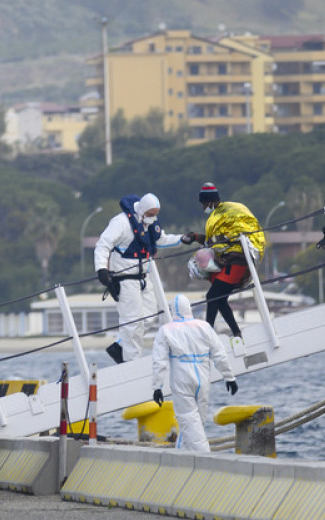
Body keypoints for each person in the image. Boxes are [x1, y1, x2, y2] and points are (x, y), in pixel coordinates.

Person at [95, 193, 194, 364]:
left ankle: (119, 346)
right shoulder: (121, 223)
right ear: (141, 210)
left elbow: (161, 240)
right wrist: (101, 269)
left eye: (155, 214)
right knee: (132, 323)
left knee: (150, 316)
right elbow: (103, 245)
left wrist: (182, 239)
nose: (152, 218)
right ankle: (131, 362)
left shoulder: (150, 224)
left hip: (144, 278)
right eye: (150, 214)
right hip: (125, 280)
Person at [151, 295, 238, 452]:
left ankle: (205, 459)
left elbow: (160, 361)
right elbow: (219, 353)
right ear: (189, 308)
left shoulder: (165, 331)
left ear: (172, 310)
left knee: (189, 422)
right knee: (197, 423)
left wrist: (157, 386)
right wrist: (229, 376)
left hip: (181, 379)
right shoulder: (204, 327)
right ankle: (183, 455)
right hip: (203, 378)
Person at [184, 183, 266, 340]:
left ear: (212, 201)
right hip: (228, 261)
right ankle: (236, 332)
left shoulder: (229, 212)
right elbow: (213, 241)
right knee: (220, 299)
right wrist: (194, 237)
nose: (203, 208)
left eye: (204, 204)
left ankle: (208, 333)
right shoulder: (217, 217)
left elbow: (231, 238)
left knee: (212, 296)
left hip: (237, 260)